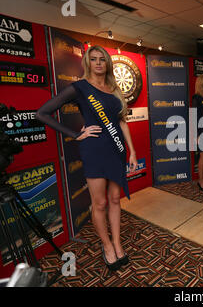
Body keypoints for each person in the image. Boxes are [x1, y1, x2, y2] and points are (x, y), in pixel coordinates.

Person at [36, 45, 137, 271]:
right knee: (99, 203)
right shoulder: (80, 88)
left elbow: (122, 122)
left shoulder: (113, 87)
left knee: (114, 200)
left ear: (108, 63)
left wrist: (132, 150)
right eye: (94, 59)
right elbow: (42, 113)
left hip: (117, 150)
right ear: (87, 63)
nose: (99, 63)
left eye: (103, 59)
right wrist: (76, 134)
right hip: (94, 150)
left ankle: (118, 243)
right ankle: (107, 246)